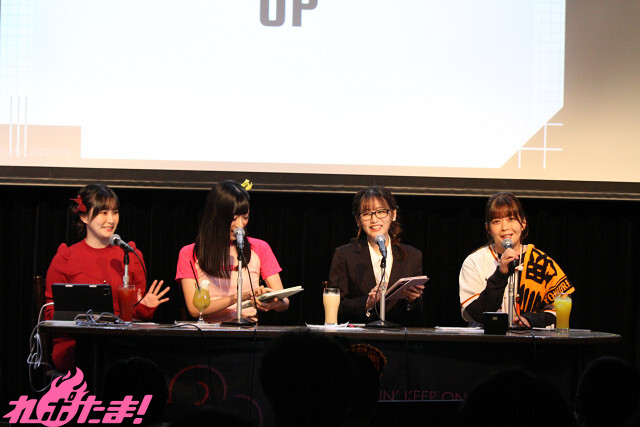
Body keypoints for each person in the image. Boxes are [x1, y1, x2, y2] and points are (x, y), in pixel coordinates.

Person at [44, 184, 170, 371]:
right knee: (102, 359)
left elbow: (134, 316)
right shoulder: (66, 257)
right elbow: (50, 313)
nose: (111, 220)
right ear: (84, 217)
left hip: (120, 343)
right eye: (103, 213)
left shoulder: (130, 255)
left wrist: (144, 307)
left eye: (115, 212)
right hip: (77, 345)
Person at [176, 180, 288, 323]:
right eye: (233, 219)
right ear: (216, 216)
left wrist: (272, 303)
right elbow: (194, 309)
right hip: (209, 331)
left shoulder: (260, 248)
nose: (239, 225)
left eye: (245, 217)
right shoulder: (189, 252)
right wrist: (240, 297)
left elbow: (284, 302)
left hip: (248, 329)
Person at [459, 192, 574, 328]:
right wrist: (500, 275)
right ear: (488, 228)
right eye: (496, 221)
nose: (504, 227)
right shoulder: (474, 262)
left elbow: (560, 307)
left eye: (511, 219)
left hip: (531, 338)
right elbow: (474, 313)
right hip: (488, 337)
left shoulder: (541, 261)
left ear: (523, 223)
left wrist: (532, 320)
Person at [328, 186, 424, 325]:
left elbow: (417, 315)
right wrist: (367, 304)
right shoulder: (344, 255)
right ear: (358, 219)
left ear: (393, 214)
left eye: (381, 212)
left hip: (398, 335)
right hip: (359, 335)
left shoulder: (412, 256)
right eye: (366, 214)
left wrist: (412, 301)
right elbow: (336, 307)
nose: (374, 219)